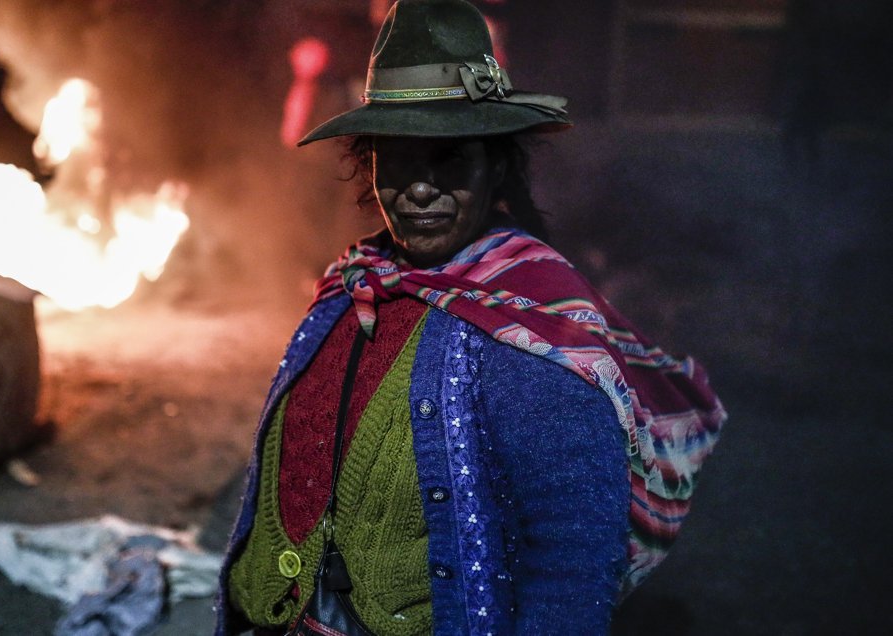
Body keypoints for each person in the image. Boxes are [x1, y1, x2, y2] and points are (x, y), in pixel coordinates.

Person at [218, 1, 725, 634]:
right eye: (398, 157)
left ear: (496, 166)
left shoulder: (536, 337)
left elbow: (570, 570)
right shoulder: (354, 288)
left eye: (449, 158)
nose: (420, 187)